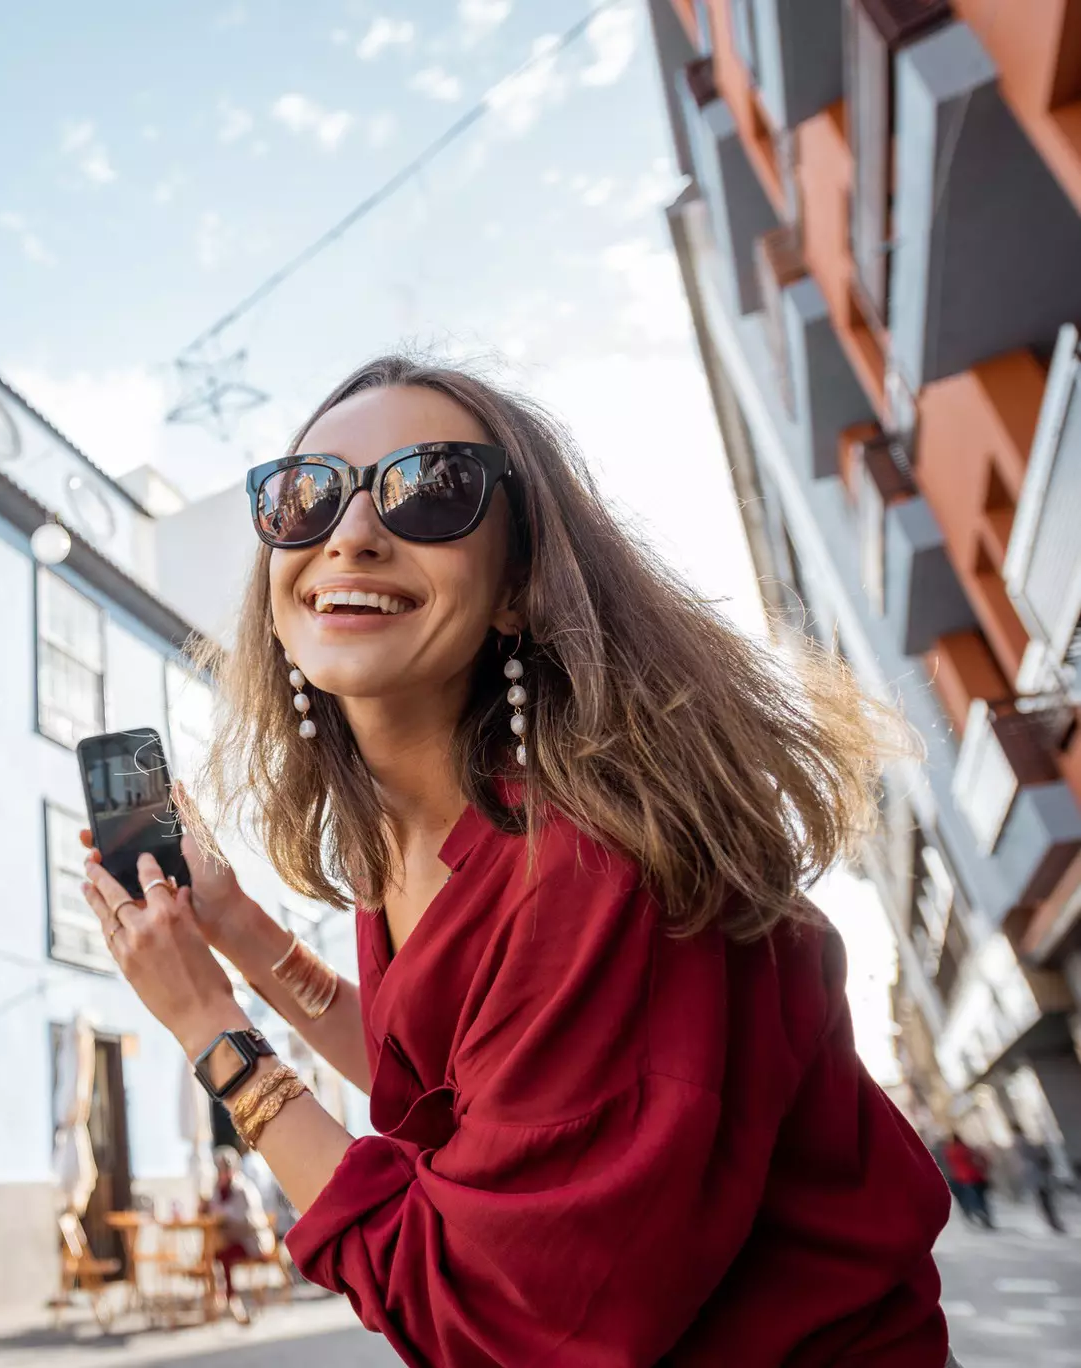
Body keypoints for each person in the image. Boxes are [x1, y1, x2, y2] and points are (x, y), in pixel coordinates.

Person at [77, 356, 953, 1364]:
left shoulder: (594, 866)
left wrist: (208, 1026)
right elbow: (462, 1093)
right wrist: (233, 926)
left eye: (430, 491)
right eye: (304, 496)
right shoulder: (424, 834)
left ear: (516, 588)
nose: (351, 532)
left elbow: (495, 1318)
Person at [204, 1146, 269, 1322]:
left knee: (224, 1255)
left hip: (250, 1240)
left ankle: (231, 1297)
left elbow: (247, 1217)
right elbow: (213, 1208)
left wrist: (224, 1214)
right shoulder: (219, 1189)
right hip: (231, 1238)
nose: (222, 1174)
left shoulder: (242, 1188)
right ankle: (222, 1297)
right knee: (213, 1255)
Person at [943, 1134, 996, 1230]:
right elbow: (981, 1159)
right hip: (976, 1176)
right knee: (981, 1198)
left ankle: (977, 1212)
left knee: (972, 1197)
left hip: (963, 1178)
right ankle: (984, 1215)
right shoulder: (967, 1149)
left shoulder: (950, 1151)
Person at [1016, 1134, 1067, 1234]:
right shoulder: (1033, 1158)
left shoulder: (1028, 1159)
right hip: (1041, 1184)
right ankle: (1053, 1222)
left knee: (1046, 1204)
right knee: (1047, 1204)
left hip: (1040, 1184)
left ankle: (1052, 1222)